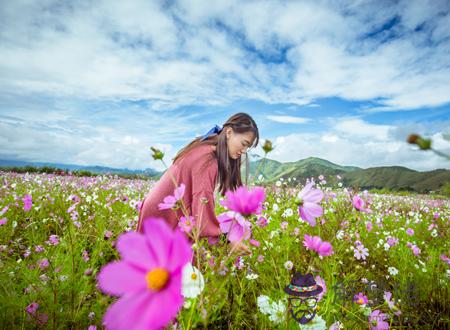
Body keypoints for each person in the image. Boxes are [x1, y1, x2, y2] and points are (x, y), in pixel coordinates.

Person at [136, 113, 259, 255]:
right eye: (244, 144)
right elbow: (202, 202)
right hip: (165, 215)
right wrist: (226, 242)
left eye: (248, 147)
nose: (243, 151)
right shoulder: (208, 158)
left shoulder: (206, 146)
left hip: (162, 210)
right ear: (229, 132)